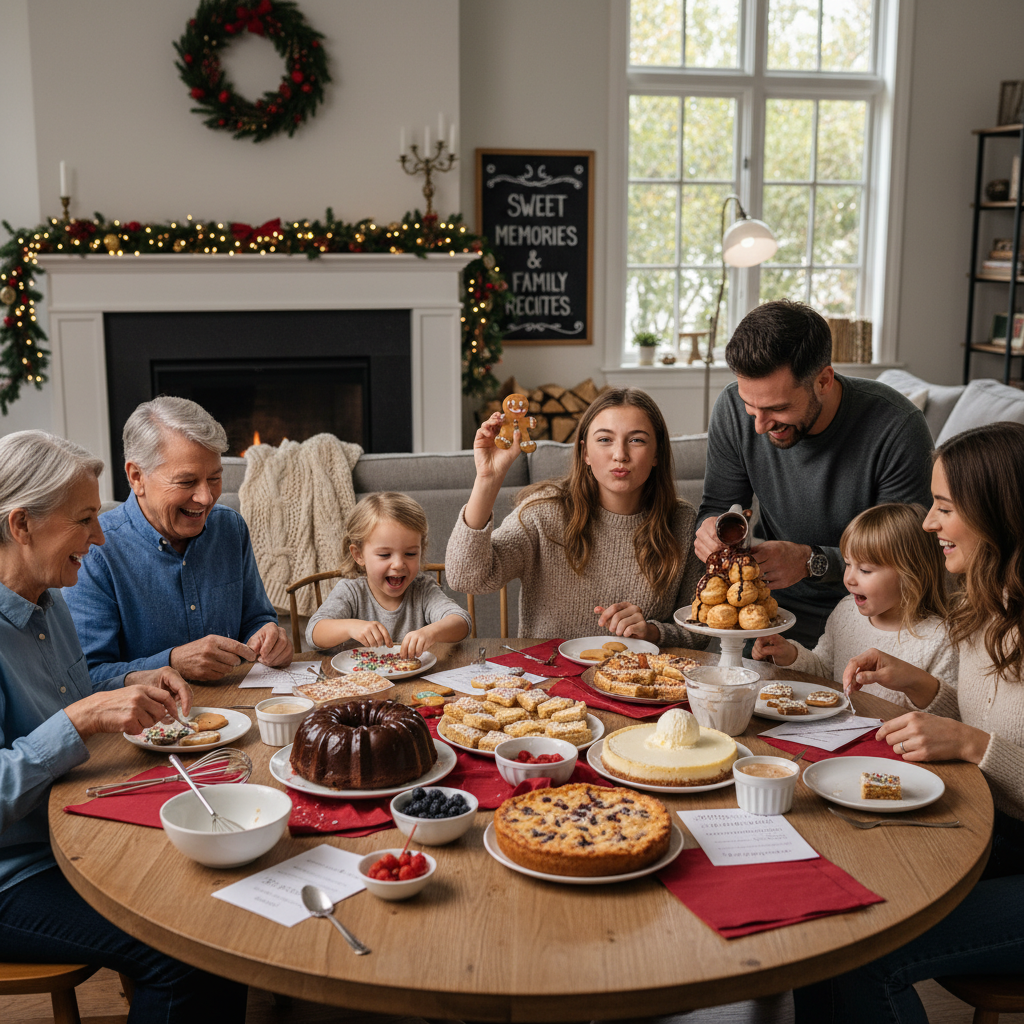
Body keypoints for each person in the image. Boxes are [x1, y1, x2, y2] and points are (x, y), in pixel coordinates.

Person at [0, 430, 246, 1022]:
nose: (101, 536)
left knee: (221, 901)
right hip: (14, 874)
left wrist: (127, 685)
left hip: (72, 830)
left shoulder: (49, 602)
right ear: (20, 525)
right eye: (84, 519)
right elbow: (66, 722)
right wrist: (77, 720)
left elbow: (73, 698)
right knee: (187, 953)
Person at [794, 421, 1024, 1024]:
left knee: (860, 951)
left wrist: (976, 746)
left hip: (1010, 847)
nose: (928, 523)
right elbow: (989, 710)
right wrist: (922, 686)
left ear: (999, 514)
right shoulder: (984, 604)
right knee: (825, 902)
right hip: (987, 830)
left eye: (944, 508)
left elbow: (988, 737)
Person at [695, 299, 934, 648]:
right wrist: (709, 532)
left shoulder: (896, 427)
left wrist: (811, 561)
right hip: (768, 617)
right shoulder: (732, 408)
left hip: (871, 621)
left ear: (823, 380)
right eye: (751, 408)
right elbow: (717, 506)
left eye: (778, 408)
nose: (759, 426)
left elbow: (908, 557)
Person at [445, 387, 707, 646]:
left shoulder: (681, 522)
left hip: (636, 685)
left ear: (657, 454)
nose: (620, 455)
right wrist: (487, 480)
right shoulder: (543, 512)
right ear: (585, 453)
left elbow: (699, 631)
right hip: (548, 680)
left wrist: (652, 632)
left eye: (636, 440)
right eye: (605, 440)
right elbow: (466, 578)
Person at [65, 396, 292, 683]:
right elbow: (88, 678)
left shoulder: (229, 527)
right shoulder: (95, 551)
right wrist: (172, 663)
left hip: (238, 707)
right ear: (137, 477)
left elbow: (256, 619)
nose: (206, 498)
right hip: (149, 724)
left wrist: (269, 636)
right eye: (186, 482)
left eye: (214, 478)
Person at [753, 502, 956, 707]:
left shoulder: (940, 639)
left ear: (912, 575)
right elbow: (825, 671)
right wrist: (790, 655)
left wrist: (916, 685)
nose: (849, 578)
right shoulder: (847, 611)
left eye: (866, 570)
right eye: (848, 564)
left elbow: (948, 716)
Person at [306, 492, 472, 657]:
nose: (399, 564)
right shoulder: (351, 592)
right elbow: (314, 633)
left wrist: (431, 633)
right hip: (360, 681)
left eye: (411, 554)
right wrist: (351, 627)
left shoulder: (423, 589)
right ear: (359, 555)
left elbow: (461, 622)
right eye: (385, 555)